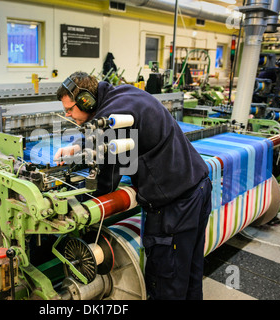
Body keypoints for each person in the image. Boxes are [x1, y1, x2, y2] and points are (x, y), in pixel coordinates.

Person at [55, 71, 212, 300]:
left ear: (86, 101)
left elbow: (106, 183)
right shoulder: (121, 95)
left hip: (174, 209)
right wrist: (77, 148)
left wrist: (74, 202)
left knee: (166, 284)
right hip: (198, 189)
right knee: (189, 274)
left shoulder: (112, 117)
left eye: (70, 109)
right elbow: (105, 132)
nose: (67, 114)